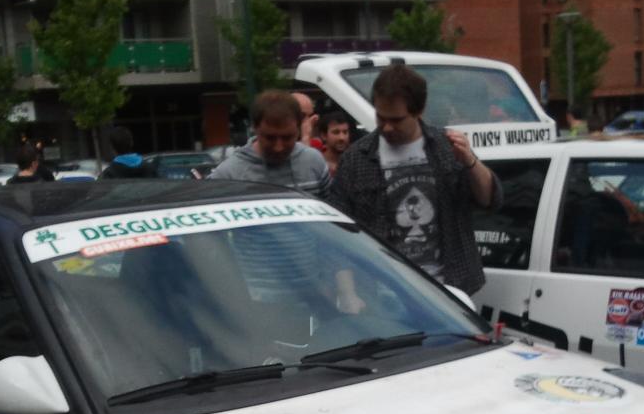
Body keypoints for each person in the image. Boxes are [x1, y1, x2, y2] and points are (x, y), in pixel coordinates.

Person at [328, 63, 497, 295]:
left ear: (419, 111)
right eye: (381, 117)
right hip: (383, 294)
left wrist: (470, 161)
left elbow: (489, 199)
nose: (387, 127)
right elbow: (338, 232)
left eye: (396, 120)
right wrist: (348, 294)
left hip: (449, 292)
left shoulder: (447, 147)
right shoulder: (356, 159)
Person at [209, 90, 330, 197]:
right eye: (270, 138)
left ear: (299, 129)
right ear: (255, 129)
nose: (279, 147)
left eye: (287, 138)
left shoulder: (314, 161)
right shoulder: (229, 174)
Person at [318, 110, 352, 176]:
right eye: (336, 132)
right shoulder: (317, 162)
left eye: (345, 132)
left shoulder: (356, 161)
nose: (342, 138)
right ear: (324, 136)